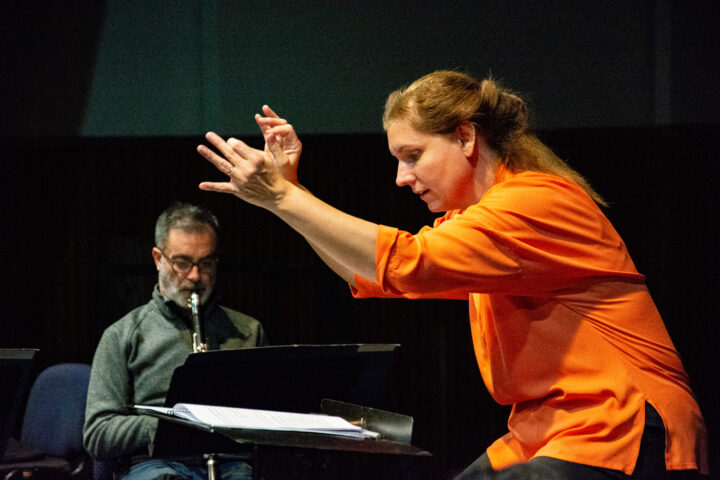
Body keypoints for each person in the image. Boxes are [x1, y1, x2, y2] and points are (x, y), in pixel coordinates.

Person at [195, 71, 709, 479]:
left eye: (413, 156)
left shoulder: (536, 202)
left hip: (621, 422)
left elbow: (405, 261)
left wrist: (285, 197)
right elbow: (377, 273)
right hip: (548, 430)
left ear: (465, 136)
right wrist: (287, 200)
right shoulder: (480, 221)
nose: (402, 177)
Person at [83, 202, 266, 480]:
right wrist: (163, 425)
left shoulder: (248, 331)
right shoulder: (122, 335)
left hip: (232, 464)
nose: (195, 276)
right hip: (155, 464)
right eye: (182, 263)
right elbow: (97, 434)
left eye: (206, 263)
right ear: (158, 259)